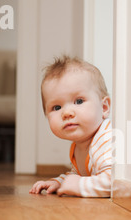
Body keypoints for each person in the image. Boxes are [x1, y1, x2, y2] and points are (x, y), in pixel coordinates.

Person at [29, 55, 112, 197]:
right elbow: (80, 173)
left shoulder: (107, 139)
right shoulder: (80, 145)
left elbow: (115, 183)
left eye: (79, 101)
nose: (67, 113)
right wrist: (59, 182)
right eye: (56, 107)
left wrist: (79, 186)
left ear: (104, 107)